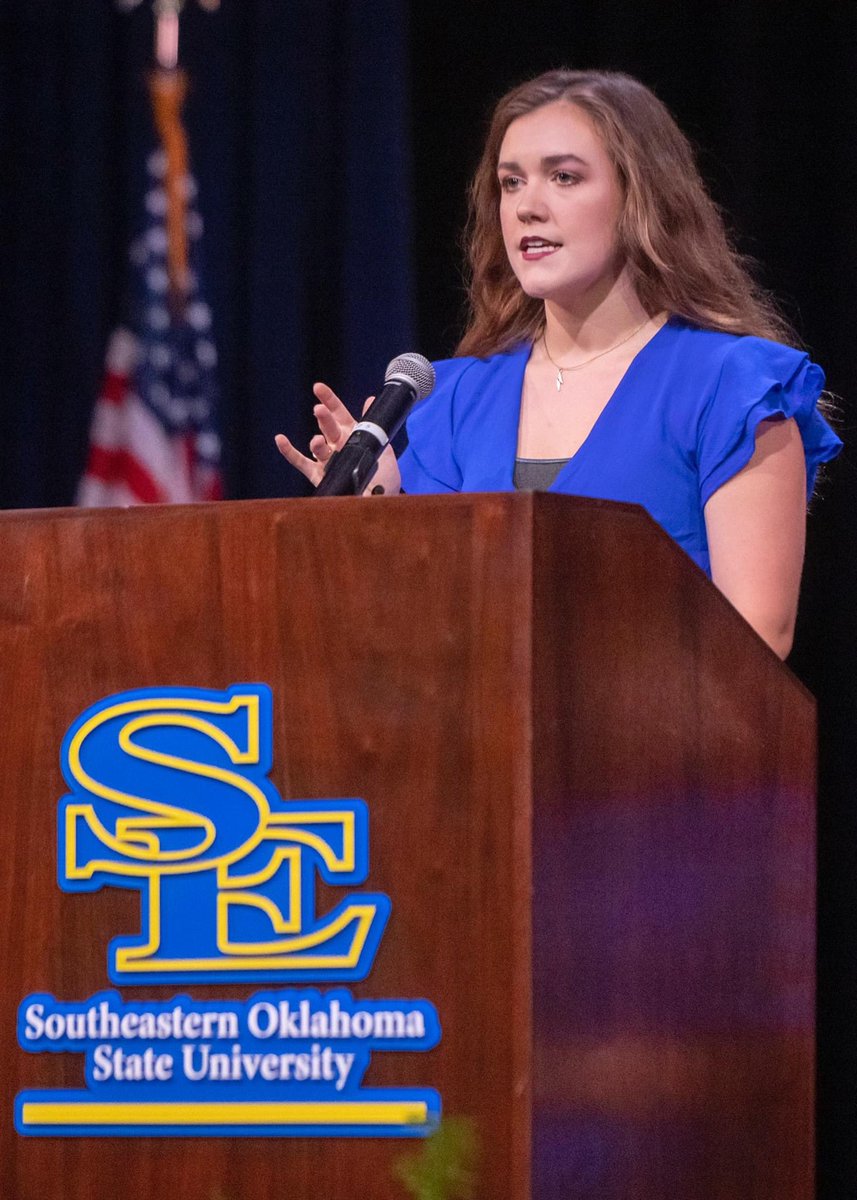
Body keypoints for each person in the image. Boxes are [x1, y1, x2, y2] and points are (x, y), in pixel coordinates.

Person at [276, 69, 842, 660]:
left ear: (640, 195)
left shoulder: (734, 386)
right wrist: (377, 515)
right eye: (511, 182)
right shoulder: (453, 398)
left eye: (564, 177)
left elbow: (756, 640)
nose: (527, 207)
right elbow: (422, 637)